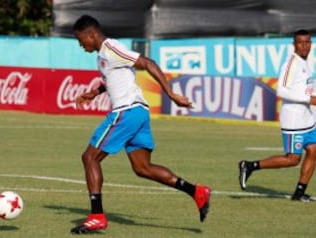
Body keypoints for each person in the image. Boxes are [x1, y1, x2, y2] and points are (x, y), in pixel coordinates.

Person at [70, 15, 211, 234]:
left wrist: (171, 94)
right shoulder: (103, 56)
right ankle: (197, 192)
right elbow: (115, 79)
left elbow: (147, 63)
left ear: (91, 34)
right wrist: (95, 92)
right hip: (138, 113)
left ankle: (97, 216)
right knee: (143, 168)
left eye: (81, 41)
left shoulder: (111, 48)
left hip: (126, 112)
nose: (81, 46)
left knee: (89, 157)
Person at [238, 29, 316, 202]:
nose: (305, 46)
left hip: (307, 118)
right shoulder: (291, 63)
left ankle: (299, 194)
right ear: (294, 45)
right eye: (301, 43)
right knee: (293, 159)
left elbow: (303, 88)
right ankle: (250, 166)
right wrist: (309, 99)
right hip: (294, 119)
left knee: (314, 151)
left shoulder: (305, 62)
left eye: (308, 42)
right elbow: (281, 90)